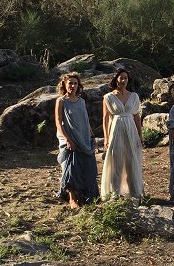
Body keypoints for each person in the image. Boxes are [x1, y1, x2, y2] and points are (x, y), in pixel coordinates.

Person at [54, 72, 99, 208]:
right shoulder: (61, 101)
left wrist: (92, 136)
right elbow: (58, 122)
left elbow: (86, 121)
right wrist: (68, 139)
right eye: (70, 83)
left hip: (85, 138)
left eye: (75, 83)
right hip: (70, 139)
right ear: (64, 85)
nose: (72, 86)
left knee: (87, 169)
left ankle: (86, 196)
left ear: (78, 85)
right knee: (71, 169)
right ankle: (72, 198)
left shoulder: (81, 101)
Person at [100, 69, 144, 198]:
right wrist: (106, 138)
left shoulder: (134, 96)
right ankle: (115, 193)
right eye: (121, 78)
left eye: (126, 78)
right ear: (116, 79)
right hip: (116, 129)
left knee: (132, 160)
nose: (124, 80)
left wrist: (140, 135)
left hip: (131, 129)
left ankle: (135, 192)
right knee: (116, 161)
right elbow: (106, 118)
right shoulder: (108, 97)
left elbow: (136, 116)